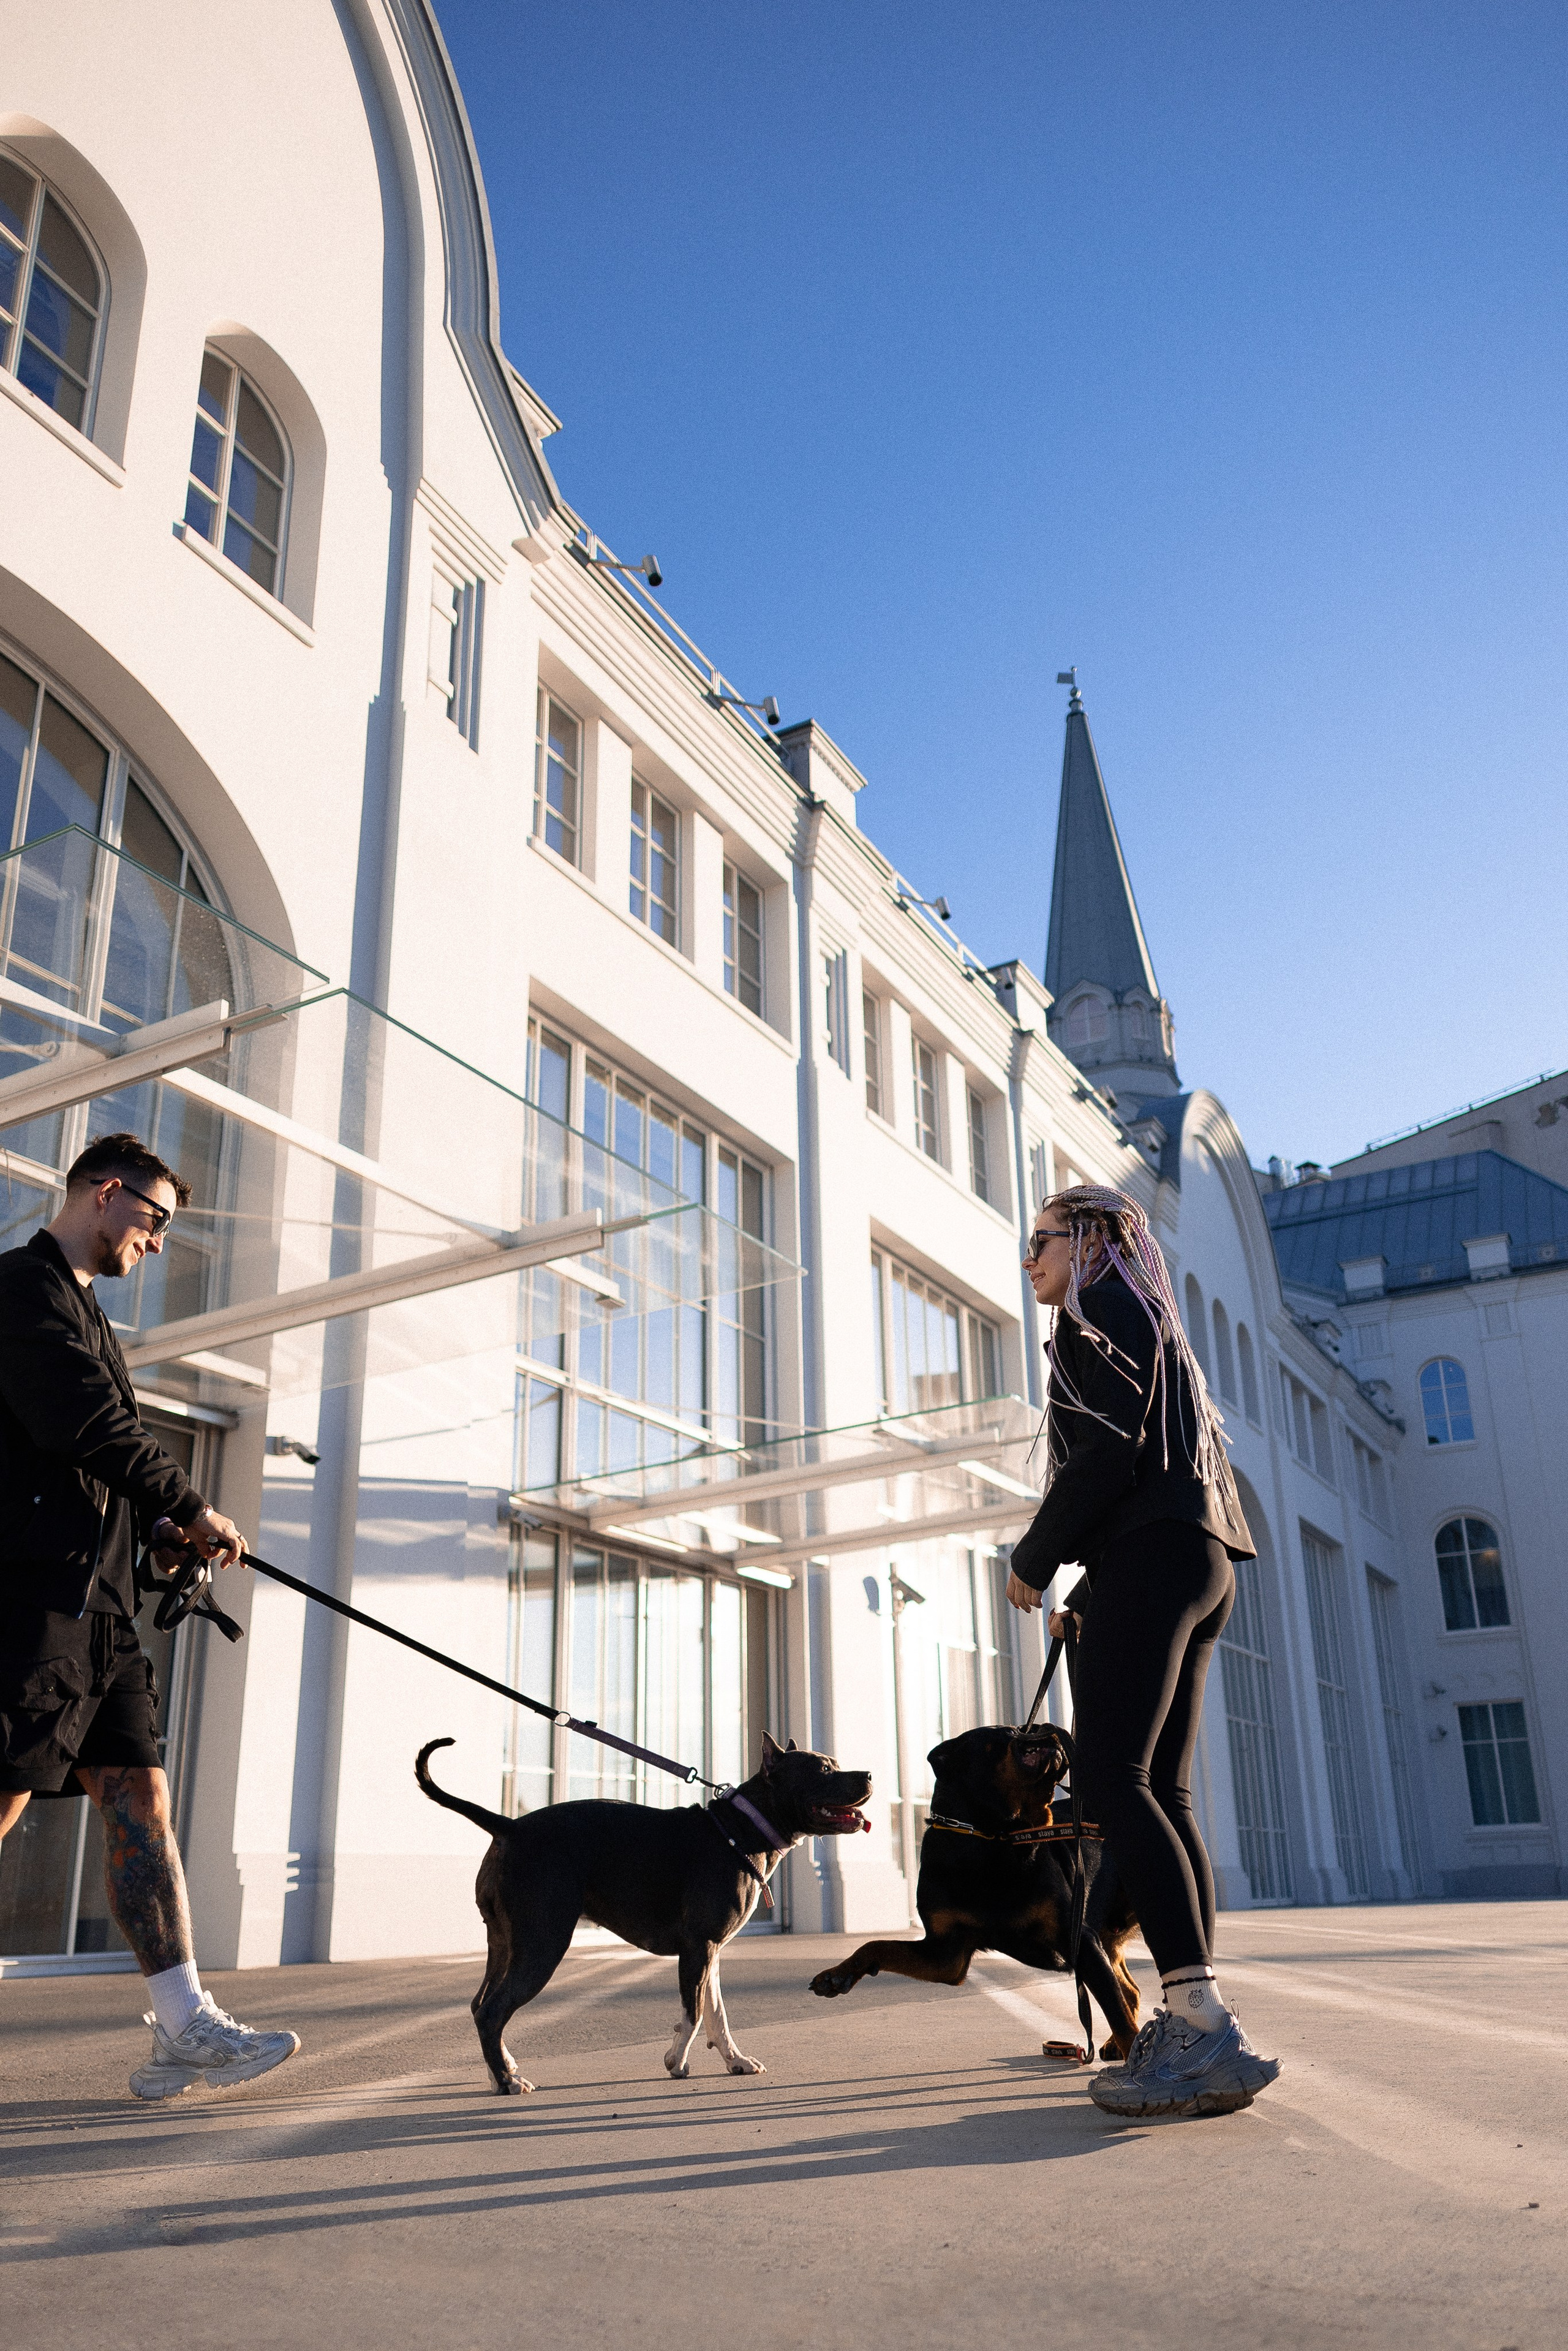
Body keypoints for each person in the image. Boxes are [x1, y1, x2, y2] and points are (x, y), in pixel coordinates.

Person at [0, 1133, 299, 2099]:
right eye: (156, 1220)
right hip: (29, 1604)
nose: (160, 1243)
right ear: (107, 1193)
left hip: (102, 1615)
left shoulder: (88, 1313)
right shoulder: (22, 1290)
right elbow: (83, 1422)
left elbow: (95, 1470)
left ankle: (185, 2027)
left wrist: (166, 1536)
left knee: (141, 1799)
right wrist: (190, 1497)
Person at [1005, 1182, 1280, 2119]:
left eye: (1039, 1238)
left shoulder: (1100, 1304)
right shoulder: (1146, 1317)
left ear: (1086, 1239)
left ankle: (1199, 2026)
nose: (1030, 1256)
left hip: (1158, 1557)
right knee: (1162, 1790)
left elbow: (1106, 1453)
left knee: (1116, 1782)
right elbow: (1146, 1472)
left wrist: (1036, 1559)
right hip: (1199, 1556)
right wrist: (1093, 1583)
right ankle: (1197, 2016)